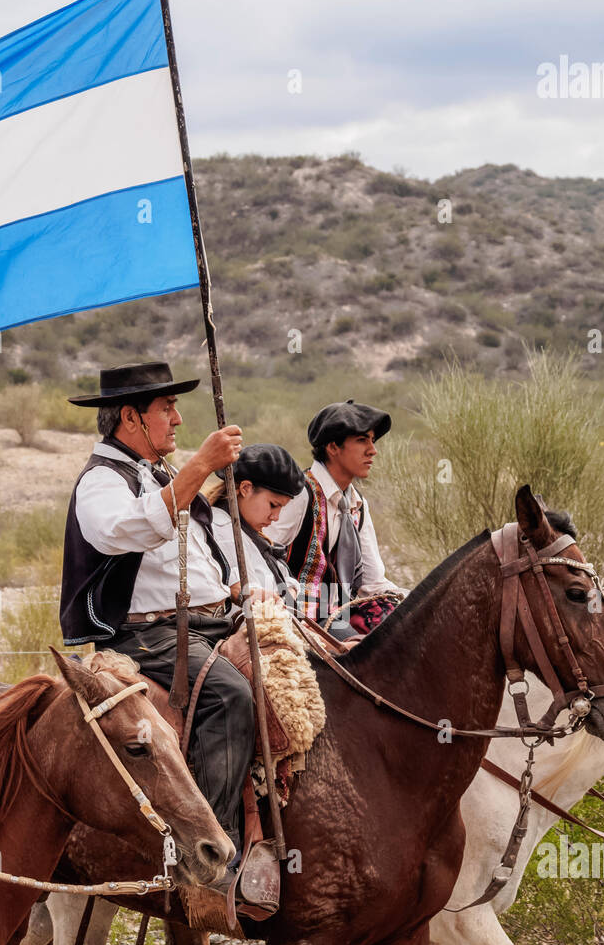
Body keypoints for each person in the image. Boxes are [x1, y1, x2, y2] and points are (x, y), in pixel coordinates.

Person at [59, 361, 274, 899]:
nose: (178, 419)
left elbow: (197, 555)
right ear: (130, 418)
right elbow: (124, 531)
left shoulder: (158, 475)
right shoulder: (101, 482)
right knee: (230, 696)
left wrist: (233, 594)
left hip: (204, 622)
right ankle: (213, 859)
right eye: (167, 409)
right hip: (143, 636)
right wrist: (201, 464)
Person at [272, 399, 405, 640]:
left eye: (372, 441)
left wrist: (413, 600)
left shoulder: (356, 504)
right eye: (362, 440)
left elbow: (372, 582)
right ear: (333, 447)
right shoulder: (301, 495)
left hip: (340, 611)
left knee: (410, 632)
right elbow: (263, 556)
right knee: (362, 651)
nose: (372, 450)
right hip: (299, 616)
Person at [207, 443, 304, 605]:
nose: (276, 517)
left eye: (281, 508)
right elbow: (248, 592)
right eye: (273, 505)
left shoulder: (246, 531)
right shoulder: (222, 529)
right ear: (246, 488)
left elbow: (282, 579)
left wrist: (291, 592)